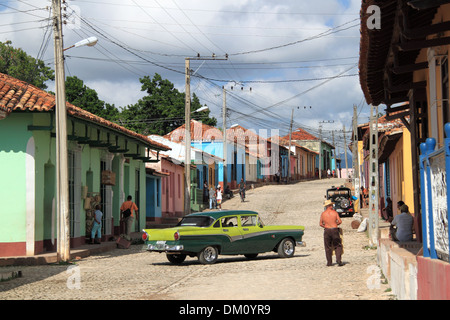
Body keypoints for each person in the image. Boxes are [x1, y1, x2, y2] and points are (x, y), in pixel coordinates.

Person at [319, 199, 344, 266]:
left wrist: (326, 226)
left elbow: (320, 224)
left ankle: (329, 262)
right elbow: (340, 221)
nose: (332, 206)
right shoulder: (334, 213)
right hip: (334, 229)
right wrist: (335, 224)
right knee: (338, 245)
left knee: (327, 247)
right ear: (329, 206)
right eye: (331, 205)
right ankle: (338, 259)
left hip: (327, 230)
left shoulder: (323, 214)